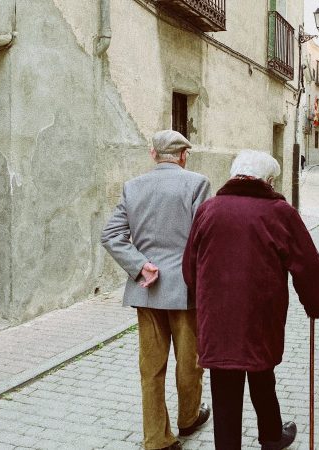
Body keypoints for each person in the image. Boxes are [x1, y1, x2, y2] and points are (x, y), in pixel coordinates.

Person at [182, 150, 319, 450]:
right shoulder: (280, 212)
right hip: (261, 315)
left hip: (218, 318)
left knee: (224, 387)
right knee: (262, 374)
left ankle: (237, 443)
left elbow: (189, 266)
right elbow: (308, 265)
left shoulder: (208, 209)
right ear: (269, 180)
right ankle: (272, 437)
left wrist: (204, 298)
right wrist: (316, 305)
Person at [101, 130, 212, 450]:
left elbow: (111, 236)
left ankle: (157, 439)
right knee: (189, 361)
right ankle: (188, 418)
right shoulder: (197, 183)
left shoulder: (132, 187)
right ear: (183, 155)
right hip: (186, 291)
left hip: (147, 290)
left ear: (152, 154)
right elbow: (203, 238)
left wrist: (139, 265)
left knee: (151, 367)